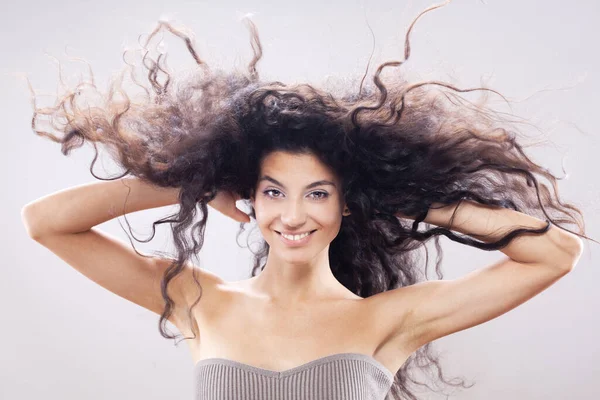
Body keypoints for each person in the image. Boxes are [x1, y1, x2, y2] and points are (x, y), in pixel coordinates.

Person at [20, 2, 595, 399]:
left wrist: (400, 198)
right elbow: (45, 222)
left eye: (317, 193)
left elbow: (555, 253)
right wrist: (195, 179)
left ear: (345, 203)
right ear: (253, 196)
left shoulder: (386, 319)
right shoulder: (201, 301)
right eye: (274, 192)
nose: (293, 215)